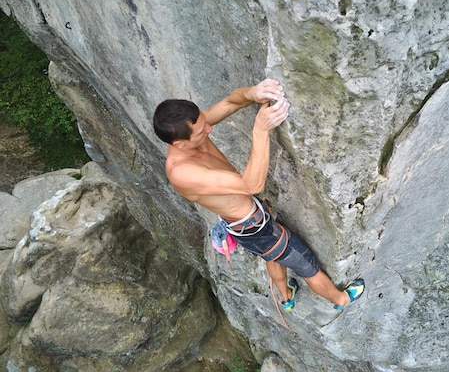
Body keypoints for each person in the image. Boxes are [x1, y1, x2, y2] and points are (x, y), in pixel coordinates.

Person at [153, 79, 364, 312]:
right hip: (255, 228)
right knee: (305, 264)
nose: (210, 128)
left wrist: (253, 93)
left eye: (205, 123)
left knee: (272, 256)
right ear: (179, 144)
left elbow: (231, 102)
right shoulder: (183, 172)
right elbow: (251, 184)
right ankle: (341, 299)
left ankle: (286, 297)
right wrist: (260, 130)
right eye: (203, 131)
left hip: (247, 224)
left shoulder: (192, 131)